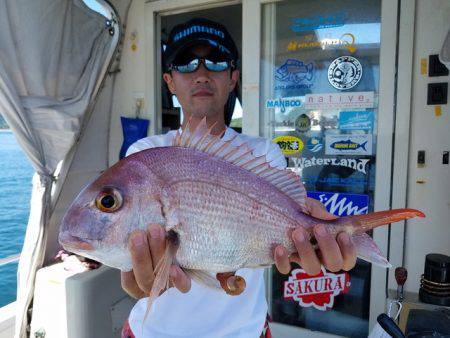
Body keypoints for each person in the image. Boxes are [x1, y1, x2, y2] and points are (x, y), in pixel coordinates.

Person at [120, 18, 357, 338]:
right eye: (186, 63)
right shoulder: (144, 153)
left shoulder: (264, 153)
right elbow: (131, 277)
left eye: (216, 62)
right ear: (170, 81)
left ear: (233, 78)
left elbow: (279, 230)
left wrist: (316, 235)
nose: (201, 73)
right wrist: (139, 281)